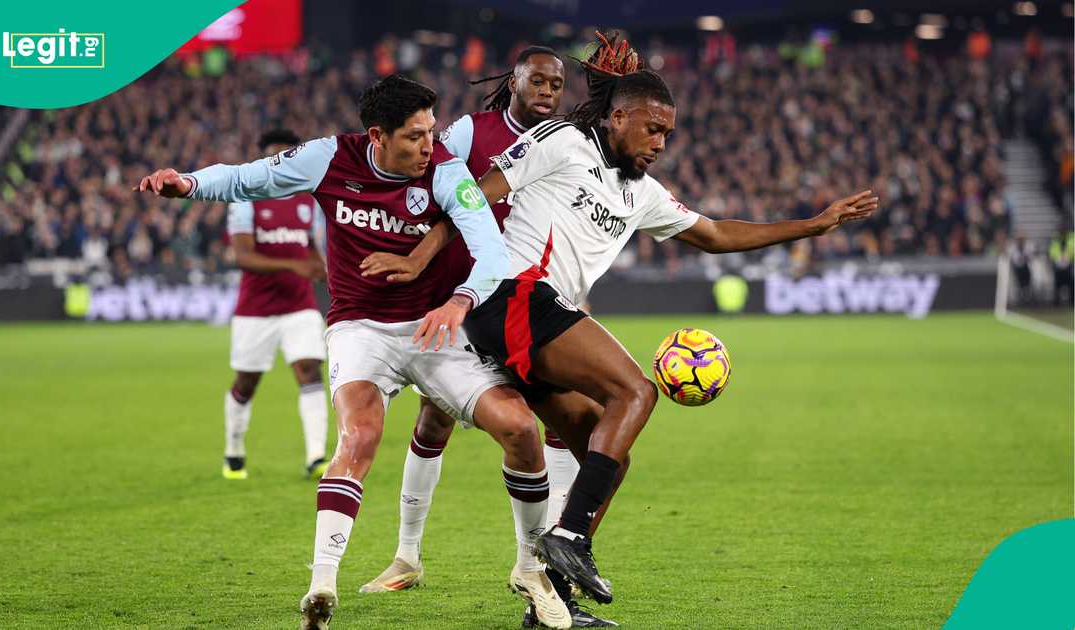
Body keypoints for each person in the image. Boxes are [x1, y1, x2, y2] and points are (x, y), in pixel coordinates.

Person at [375, 33, 878, 606]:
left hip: (536, 317)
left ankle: (553, 597)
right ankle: (567, 537)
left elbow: (714, 234)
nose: (661, 143)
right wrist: (420, 257)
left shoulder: (642, 192)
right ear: (617, 117)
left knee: (605, 451)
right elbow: (476, 195)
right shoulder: (562, 141)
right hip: (511, 296)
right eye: (652, 129)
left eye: (668, 133)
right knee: (636, 390)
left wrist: (812, 225)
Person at [135, 74, 573, 629]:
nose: (428, 145)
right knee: (360, 435)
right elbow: (248, 180)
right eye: (415, 136)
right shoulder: (328, 159)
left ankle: (529, 569)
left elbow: (488, 248)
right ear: (377, 136)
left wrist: (459, 302)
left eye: (432, 132)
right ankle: (322, 585)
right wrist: (188, 185)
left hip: (435, 327)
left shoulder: (445, 170)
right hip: (361, 329)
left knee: (520, 429)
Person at [358, 47, 617, 628]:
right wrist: (420, 256)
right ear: (513, 81)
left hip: (532, 298)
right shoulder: (469, 132)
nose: (549, 89)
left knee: (559, 421)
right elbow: (429, 183)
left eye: (559, 82)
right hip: (465, 296)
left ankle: (544, 578)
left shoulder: (562, 139)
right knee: (434, 421)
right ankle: (406, 555)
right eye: (538, 79)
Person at [220, 129, 329, 481]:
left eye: (285, 156)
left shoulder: (307, 200)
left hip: (299, 304)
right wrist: (293, 265)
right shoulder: (246, 199)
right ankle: (234, 450)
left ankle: (317, 457)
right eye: (272, 157)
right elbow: (243, 255)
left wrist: (321, 268)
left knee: (310, 370)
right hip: (256, 309)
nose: (278, 163)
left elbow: (310, 246)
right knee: (246, 382)